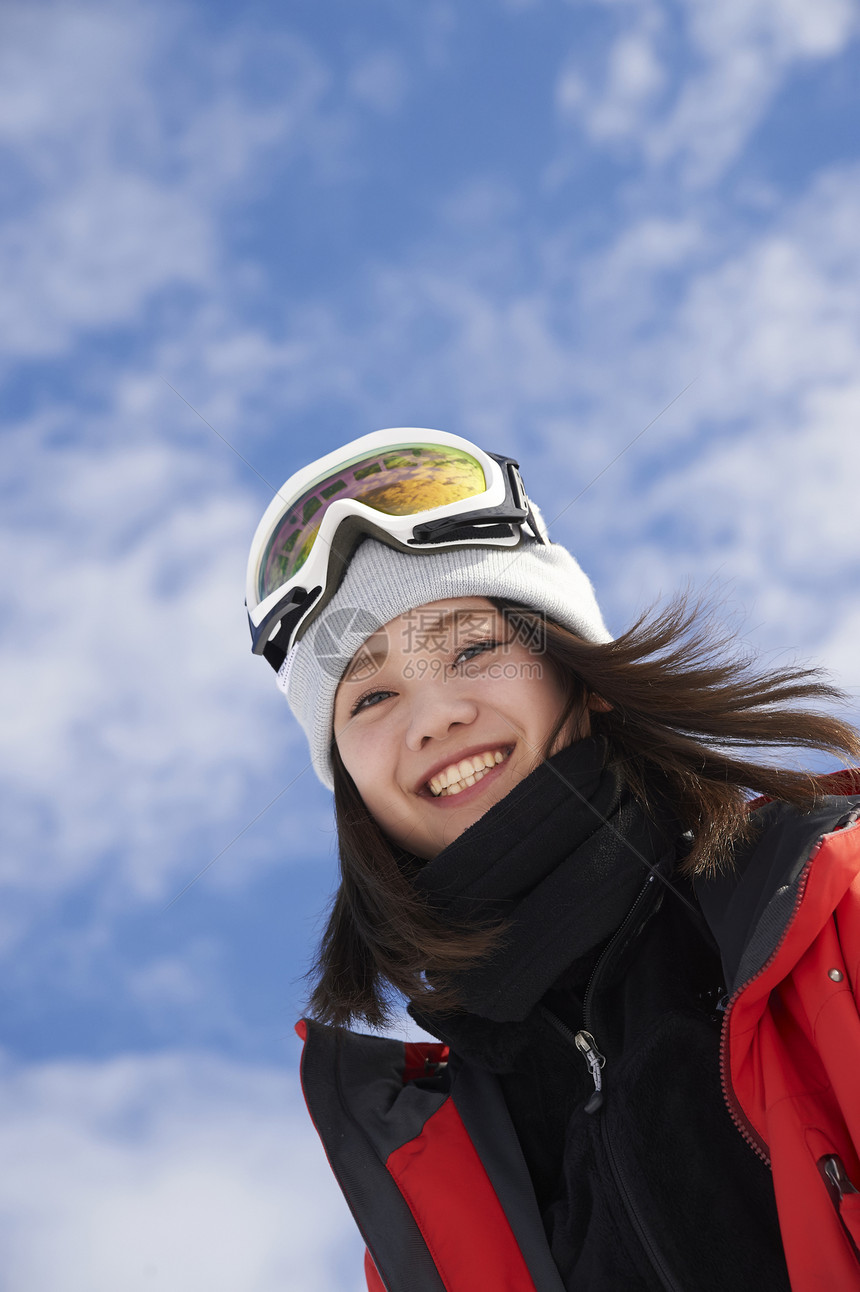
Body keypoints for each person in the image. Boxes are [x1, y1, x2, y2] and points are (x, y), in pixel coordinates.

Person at [245, 427, 860, 1292]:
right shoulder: (424, 1199)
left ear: (584, 675)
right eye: (373, 695)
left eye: (473, 648)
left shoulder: (834, 910)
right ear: (349, 782)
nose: (434, 719)